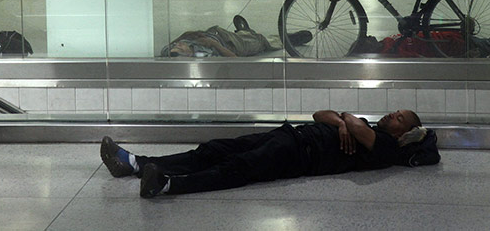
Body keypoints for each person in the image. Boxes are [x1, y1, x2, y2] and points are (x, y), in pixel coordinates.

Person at [100, 108, 430, 198]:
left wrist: (346, 120)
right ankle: (136, 164)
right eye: (395, 112)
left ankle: (167, 184)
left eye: (399, 118)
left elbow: (354, 128)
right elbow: (320, 114)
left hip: (299, 156)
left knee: (238, 167)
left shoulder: (386, 147)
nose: (392, 116)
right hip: (289, 136)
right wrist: (344, 119)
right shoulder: (367, 124)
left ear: (404, 133)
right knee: (215, 149)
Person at [352, 17, 490, 58]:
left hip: (456, 39)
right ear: (369, 51)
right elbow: (425, 61)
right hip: (457, 50)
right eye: (366, 40)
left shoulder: (389, 42)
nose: (370, 35)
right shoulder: (392, 52)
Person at [162, 15, 312, 57]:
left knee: (247, 36)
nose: (178, 44)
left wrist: (187, 35)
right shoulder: (202, 56)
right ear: (186, 56)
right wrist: (213, 44)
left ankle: (245, 31)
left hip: (218, 33)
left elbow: (169, 48)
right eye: (179, 47)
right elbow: (234, 59)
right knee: (260, 41)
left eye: (176, 45)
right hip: (233, 46)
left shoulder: (170, 50)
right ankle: (288, 40)